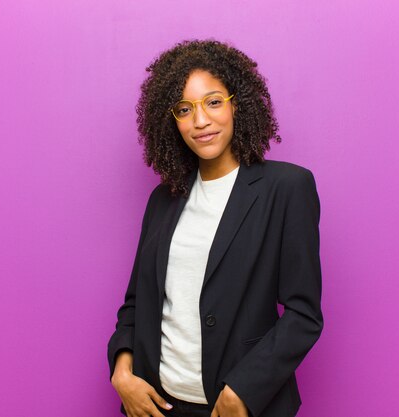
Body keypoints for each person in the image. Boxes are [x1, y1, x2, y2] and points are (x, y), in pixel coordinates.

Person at [108, 39, 323, 417]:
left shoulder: (287, 188)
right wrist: (122, 373)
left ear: (236, 103)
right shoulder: (164, 199)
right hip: (160, 406)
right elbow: (137, 303)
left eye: (213, 102)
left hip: (240, 407)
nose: (200, 121)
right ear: (170, 119)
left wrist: (245, 389)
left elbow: (303, 314)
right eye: (184, 109)